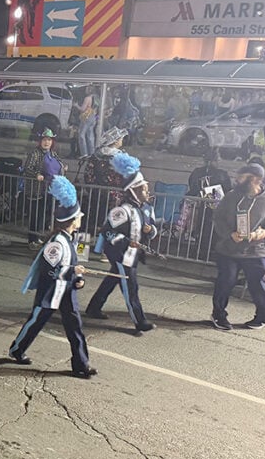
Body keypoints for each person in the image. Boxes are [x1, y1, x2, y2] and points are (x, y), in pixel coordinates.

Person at [9, 176, 97, 379]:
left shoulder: (70, 239)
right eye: (79, 217)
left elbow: (70, 268)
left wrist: (78, 280)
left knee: (75, 328)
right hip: (50, 293)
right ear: (73, 220)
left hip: (67, 292)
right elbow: (49, 272)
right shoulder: (56, 243)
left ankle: (81, 364)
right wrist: (72, 272)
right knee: (35, 323)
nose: (81, 219)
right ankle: (16, 350)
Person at [210, 163, 265, 331]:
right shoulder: (231, 196)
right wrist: (229, 234)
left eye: (242, 177)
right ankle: (219, 314)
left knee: (257, 284)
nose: (237, 179)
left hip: (256, 251)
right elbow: (218, 218)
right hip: (229, 249)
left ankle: (263, 316)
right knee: (226, 281)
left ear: (255, 180)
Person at [85, 153, 158, 333]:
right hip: (121, 255)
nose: (147, 190)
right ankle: (140, 321)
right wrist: (126, 242)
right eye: (143, 188)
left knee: (112, 279)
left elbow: (154, 229)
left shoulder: (148, 208)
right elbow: (107, 232)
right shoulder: (121, 211)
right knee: (130, 288)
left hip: (133, 255)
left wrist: (151, 231)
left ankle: (93, 308)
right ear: (134, 190)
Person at [23, 128, 65, 248]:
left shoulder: (53, 154)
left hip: (48, 190)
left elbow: (59, 164)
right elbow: (27, 168)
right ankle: (32, 239)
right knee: (34, 215)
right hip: (35, 190)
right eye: (45, 140)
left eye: (49, 140)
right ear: (40, 141)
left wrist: (63, 169)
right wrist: (36, 175)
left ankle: (38, 236)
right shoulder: (34, 153)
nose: (47, 142)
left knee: (42, 215)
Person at [76, 86, 99, 158]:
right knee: (90, 135)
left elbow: (83, 109)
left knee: (81, 134)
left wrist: (76, 105)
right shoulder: (96, 98)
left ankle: (84, 153)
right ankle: (91, 153)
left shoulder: (87, 98)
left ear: (89, 90)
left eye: (86, 89)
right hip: (93, 117)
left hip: (86, 117)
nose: (85, 90)